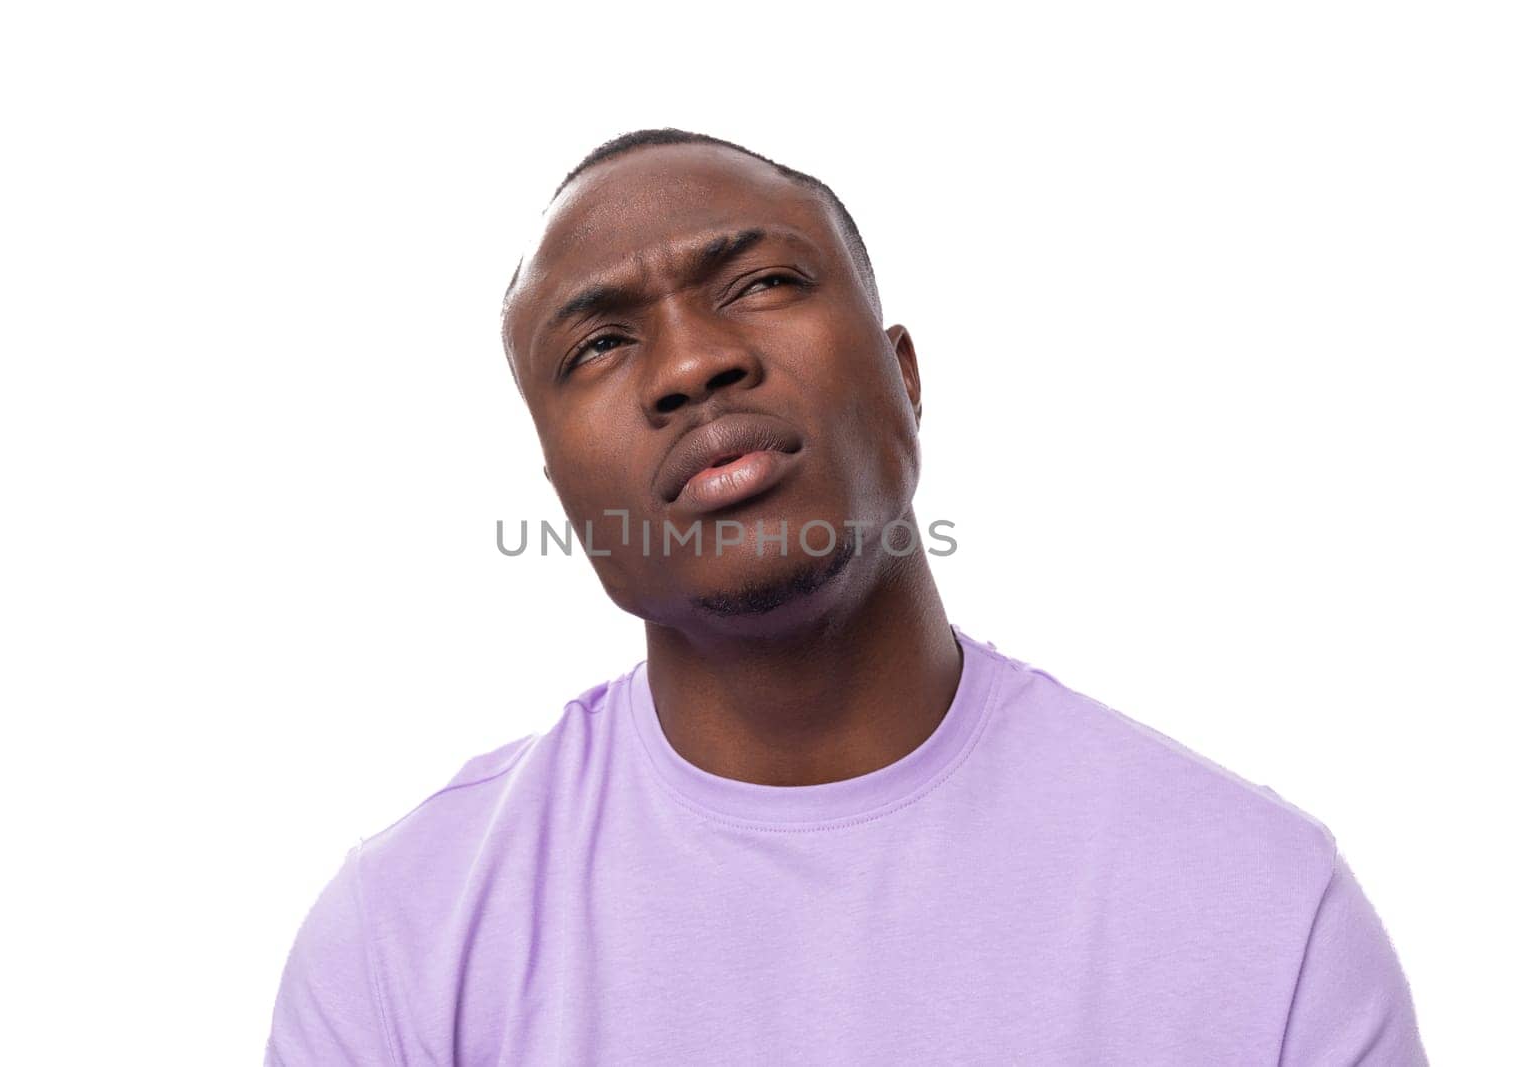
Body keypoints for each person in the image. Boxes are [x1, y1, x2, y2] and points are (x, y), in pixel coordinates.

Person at [265, 128, 1426, 1065]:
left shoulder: (1260, 909)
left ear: (904, 374)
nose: (689, 365)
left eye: (761, 281)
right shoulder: (404, 942)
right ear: (562, 488)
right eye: (601, 344)